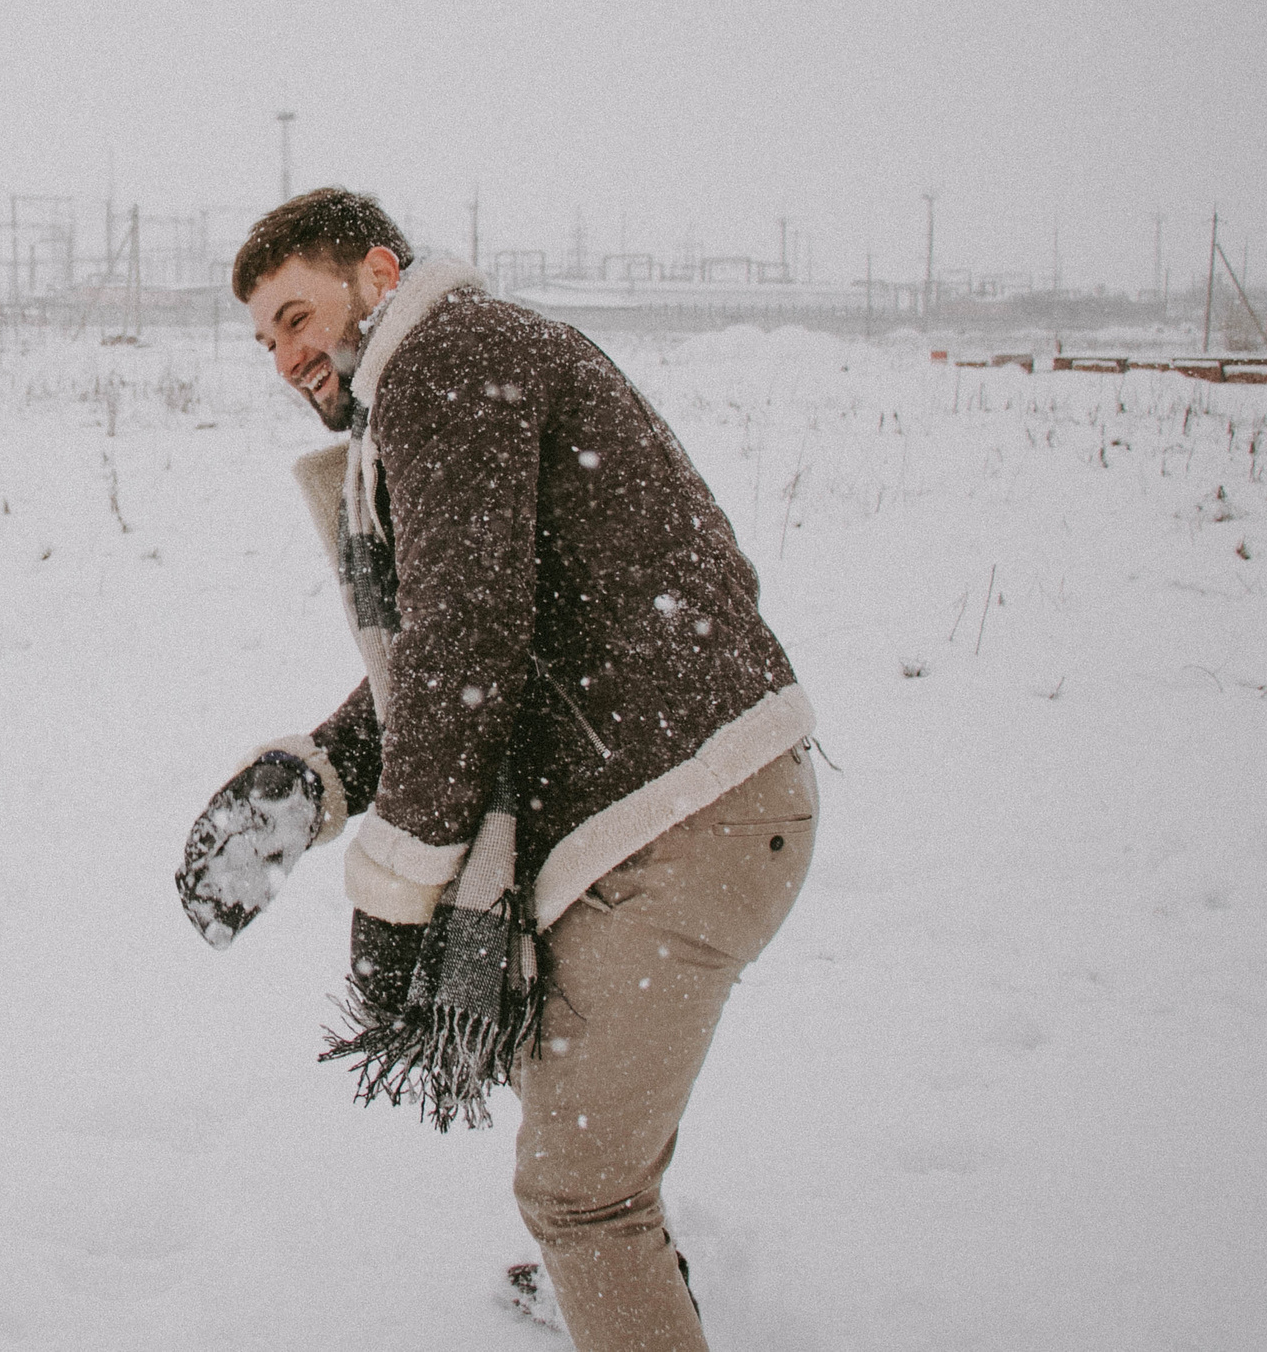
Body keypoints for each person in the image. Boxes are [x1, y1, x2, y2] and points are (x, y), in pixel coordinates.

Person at [176, 188, 817, 1352]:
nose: (283, 357)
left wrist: (394, 891)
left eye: (295, 316)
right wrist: (316, 776)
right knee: (566, 1087)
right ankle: (620, 1286)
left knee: (579, 1193)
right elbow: (460, 640)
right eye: (264, 339)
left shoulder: (447, 357)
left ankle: (614, 1277)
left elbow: (465, 645)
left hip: (679, 819)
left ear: (378, 273)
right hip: (694, 802)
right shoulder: (462, 363)